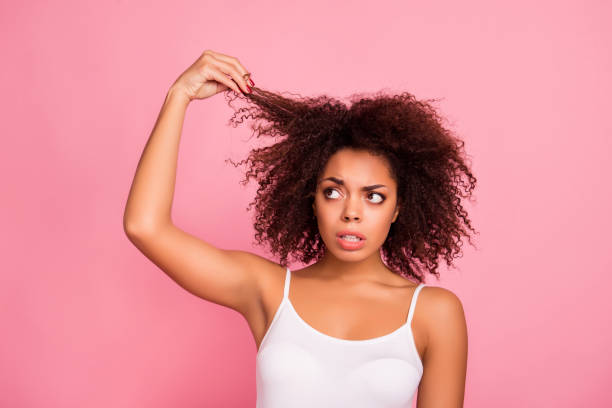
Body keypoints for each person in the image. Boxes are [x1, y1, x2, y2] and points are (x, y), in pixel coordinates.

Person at [123, 49, 476, 407]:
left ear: (398, 208)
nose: (351, 212)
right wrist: (179, 95)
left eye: (373, 197)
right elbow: (144, 226)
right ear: (312, 200)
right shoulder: (270, 291)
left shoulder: (434, 312)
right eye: (334, 192)